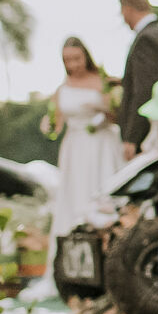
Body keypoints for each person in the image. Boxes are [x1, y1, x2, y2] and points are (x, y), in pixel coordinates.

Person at [48, 36, 126, 245]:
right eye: (67, 60)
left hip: (101, 145)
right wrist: (47, 125)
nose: (73, 64)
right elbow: (55, 123)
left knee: (102, 193)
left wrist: (103, 108)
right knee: (74, 198)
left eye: (77, 58)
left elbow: (117, 117)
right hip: (75, 148)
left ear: (86, 56)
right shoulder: (62, 88)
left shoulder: (104, 81)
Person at [118, 0, 158, 160]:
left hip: (148, 134)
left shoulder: (146, 39)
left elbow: (144, 90)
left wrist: (132, 137)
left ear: (128, 9)